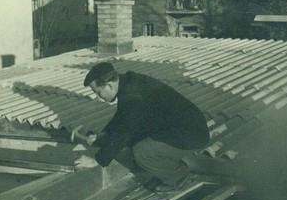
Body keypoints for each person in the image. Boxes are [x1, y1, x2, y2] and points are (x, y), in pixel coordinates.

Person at [73, 62, 210, 192]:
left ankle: (178, 176)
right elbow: (121, 118)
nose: (98, 97)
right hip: (183, 129)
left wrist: (97, 160)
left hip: (192, 134)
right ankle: (169, 170)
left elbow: (124, 132)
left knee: (142, 152)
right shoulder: (128, 83)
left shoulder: (133, 95)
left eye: (98, 92)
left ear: (109, 85)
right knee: (138, 142)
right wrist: (101, 136)